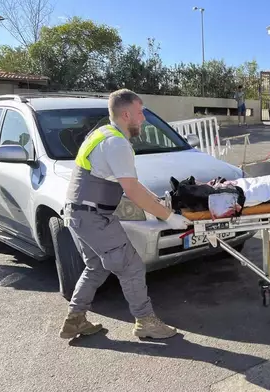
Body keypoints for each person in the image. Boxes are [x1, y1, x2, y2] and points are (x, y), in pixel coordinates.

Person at [59, 89, 192, 340]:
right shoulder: (117, 143)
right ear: (126, 113)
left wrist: (158, 203)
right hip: (94, 217)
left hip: (79, 215)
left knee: (96, 266)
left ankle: (75, 319)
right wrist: (169, 217)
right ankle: (145, 322)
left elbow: (130, 184)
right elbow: (130, 190)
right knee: (131, 267)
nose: (143, 119)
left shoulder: (101, 134)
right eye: (140, 113)